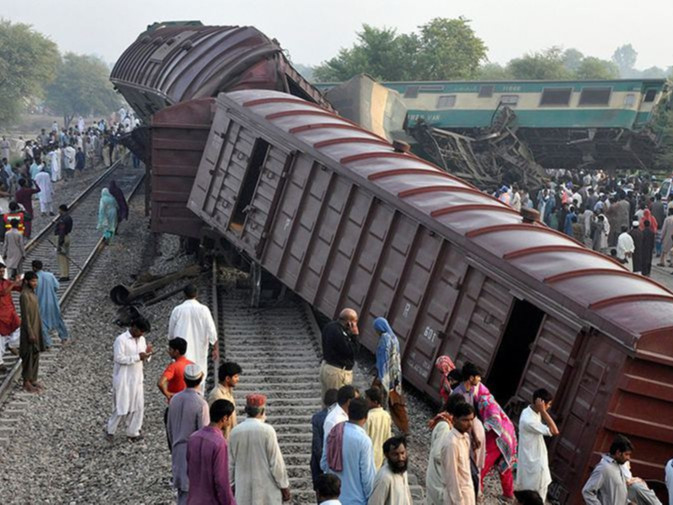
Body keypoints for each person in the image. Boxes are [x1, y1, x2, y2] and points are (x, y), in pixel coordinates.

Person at [229, 394, 291, 504]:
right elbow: (276, 463)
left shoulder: (235, 432)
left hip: (243, 492)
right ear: (262, 411)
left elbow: (230, 464)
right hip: (267, 492)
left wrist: (231, 485)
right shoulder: (267, 431)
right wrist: (284, 485)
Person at [167, 364, 210, 505]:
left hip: (177, 450)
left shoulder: (174, 400)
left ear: (184, 379)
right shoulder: (201, 404)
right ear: (201, 378)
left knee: (182, 494)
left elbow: (169, 429)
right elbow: (204, 435)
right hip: (193, 454)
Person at [105, 316, 152, 441]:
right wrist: (137, 357)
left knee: (138, 406)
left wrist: (147, 355)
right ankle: (110, 430)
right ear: (134, 327)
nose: (141, 334)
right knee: (121, 405)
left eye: (143, 333)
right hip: (123, 378)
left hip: (137, 378)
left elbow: (144, 358)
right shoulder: (121, 340)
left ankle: (133, 432)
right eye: (140, 331)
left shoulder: (142, 339)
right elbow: (119, 358)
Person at [322, 398, 376, 505]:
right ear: (366, 417)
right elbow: (367, 478)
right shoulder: (364, 441)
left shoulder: (333, 433)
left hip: (334, 499)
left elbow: (323, 464)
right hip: (357, 500)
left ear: (348, 412)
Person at [186, 399, 237, 505]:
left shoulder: (193, 437)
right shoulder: (219, 443)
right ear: (224, 418)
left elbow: (189, 470)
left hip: (193, 499)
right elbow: (221, 480)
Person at [168, 284, 218, 386]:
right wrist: (215, 348)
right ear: (197, 294)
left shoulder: (177, 310)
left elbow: (171, 334)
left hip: (182, 352)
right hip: (199, 351)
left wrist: (172, 350)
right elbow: (212, 331)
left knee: (182, 378)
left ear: (184, 294)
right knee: (199, 378)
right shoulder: (204, 310)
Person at [515, 388, 560, 502]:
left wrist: (542, 410)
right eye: (548, 404)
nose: (549, 407)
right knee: (535, 495)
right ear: (540, 403)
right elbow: (555, 431)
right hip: (533, 463)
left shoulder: (529, 410)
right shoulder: (529, 420)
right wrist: (544, 411)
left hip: (532, 458)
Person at [476, 383, 517, 502]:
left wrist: (482, 430)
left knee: (482, 462)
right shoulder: (489, 398)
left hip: (497, 435)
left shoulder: (484, 400)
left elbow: (494, 420)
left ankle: (476, 490)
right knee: (505, 466)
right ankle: (508, 494)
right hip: (508, 436)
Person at [426, 394, 468, 505]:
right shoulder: (445, 426)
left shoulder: (445, 421)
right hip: (438, 478)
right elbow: (437, 454)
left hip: (436, 475)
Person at [373, 317, 408, 434]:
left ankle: (380, 425)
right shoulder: (394, 338)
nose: (376, 331)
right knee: (396, 401)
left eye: (376, 328)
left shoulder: (384, 339)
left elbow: (383, 360)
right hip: (396, 375)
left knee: (377, 399)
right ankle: (404, 428)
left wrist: (381, 376)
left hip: (385, 376)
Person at [441, 401, 476, 505]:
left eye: (471, 420)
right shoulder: (451, 443)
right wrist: (458, 501)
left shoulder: (465, 437)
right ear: (454, 419)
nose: (469, 424)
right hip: (457, 497)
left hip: (468, 492)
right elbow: (451, 476)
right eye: (465, 420)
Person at [582, 434, 633, 505]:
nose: (628, 458)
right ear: (618, 453)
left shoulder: (619, 467)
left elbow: (614, 494)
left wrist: (628, 503)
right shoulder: (604, 468)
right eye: (626, 454)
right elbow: (587, 491)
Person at [320, 308, 359, 397]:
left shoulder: (329, 326)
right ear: (349, 322)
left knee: (327, 401)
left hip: (327, 367)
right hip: (337, 373)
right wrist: (355, 335)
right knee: (337, 402)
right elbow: (352, 351)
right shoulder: (339, 333)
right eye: (355, 322)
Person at [31, 260, 69, 348]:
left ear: (34, 268)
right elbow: (57, 286)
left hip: (40, 303)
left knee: (42, 323)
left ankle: (48, 343)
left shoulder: (34, 279)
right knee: (58, 320)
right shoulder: (50, 275)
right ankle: (64, 338)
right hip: (52, 302)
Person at [368, 436, 413, 505]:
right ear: (387, 455)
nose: (400, 458)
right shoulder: (385, 478)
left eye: (402, 453)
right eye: (395, 454)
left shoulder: (403, 472)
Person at [19, 271, 45, 392]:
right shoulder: (24, 295)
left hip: (36, 327)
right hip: (28, 330)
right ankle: (26, 381)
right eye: (33, 281)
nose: (35, 283)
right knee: (28, 355)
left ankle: (33, 378)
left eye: (36, 281)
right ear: (26, 281)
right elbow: (25, 316)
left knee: (35, 353)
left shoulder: (33, 294)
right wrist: (30, 332)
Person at [312, 389, 339, 494]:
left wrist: (322, 464)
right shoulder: (340, 417)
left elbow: (317, 447)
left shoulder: (317, 418)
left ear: (324, 401)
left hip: (320, 465)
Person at [208, 361, 242, 438]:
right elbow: (214, 421)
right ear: (227, 378)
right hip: (221, 439)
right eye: (235, 376)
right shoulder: (216, 395)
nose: (238, 379)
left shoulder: (228, 393)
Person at [364, 387, 392, 469]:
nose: (365, 401)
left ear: (375, 402)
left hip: (368, 454)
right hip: (380, 454)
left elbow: (364, 437)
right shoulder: (386, 415)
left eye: (367, 399)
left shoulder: (368, 417)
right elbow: (388, 437)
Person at [0, 263, 21, 371]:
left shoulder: (6, 282)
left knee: (18, 327)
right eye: (0, 271)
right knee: (0, 339)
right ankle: (0, 362)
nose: (2, 273)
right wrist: (13, 284)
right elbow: (3, 293)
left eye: (3, 271)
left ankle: (12, 344)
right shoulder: (7, 283)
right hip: (0, 315)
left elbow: (18, 288)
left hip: (9, 312)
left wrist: (22, 282)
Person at [54, 204, 73, 281]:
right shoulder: (69, 218)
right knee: (66, 256)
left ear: (62, 210)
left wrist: (59, 244)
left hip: (62, 238)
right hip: (67, 236)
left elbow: (61, 231)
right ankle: (67, 274)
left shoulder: (62, 219)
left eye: (59, 210)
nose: (59, 211)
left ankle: (63, 275)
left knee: (61, 258)